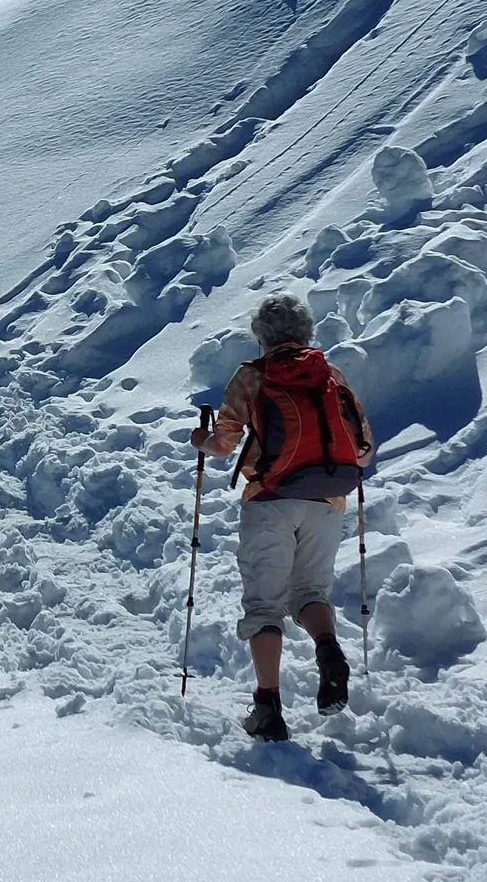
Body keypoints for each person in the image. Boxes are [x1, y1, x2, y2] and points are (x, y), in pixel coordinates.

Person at [193, 293, 376, 742]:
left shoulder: (252, 377)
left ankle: (268, 709)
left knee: (263, 606)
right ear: (307, 331)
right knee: (310, 591)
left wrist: (201, 440)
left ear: (261, 336)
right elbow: (365, 450)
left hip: (269, 499)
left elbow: (223, 444)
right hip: (326, 502)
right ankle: (328, 650)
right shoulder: (330, 375)